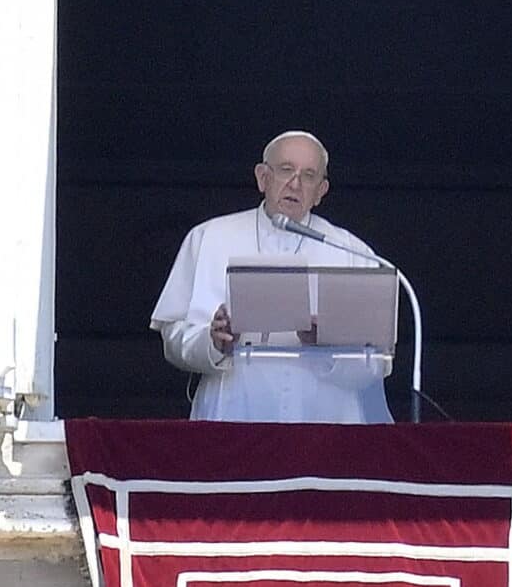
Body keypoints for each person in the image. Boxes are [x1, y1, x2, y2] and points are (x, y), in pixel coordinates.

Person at [150, 130, 394, 423]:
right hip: (232, 418)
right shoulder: (208, 237)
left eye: (308, 175)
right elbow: (173, 339)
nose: (295, 184)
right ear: (262, 178)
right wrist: (213, 341)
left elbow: (378, 363)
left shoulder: (353, 252)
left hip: (325, 426)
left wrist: (327, 345)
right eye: (286, 170)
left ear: (321, 191)